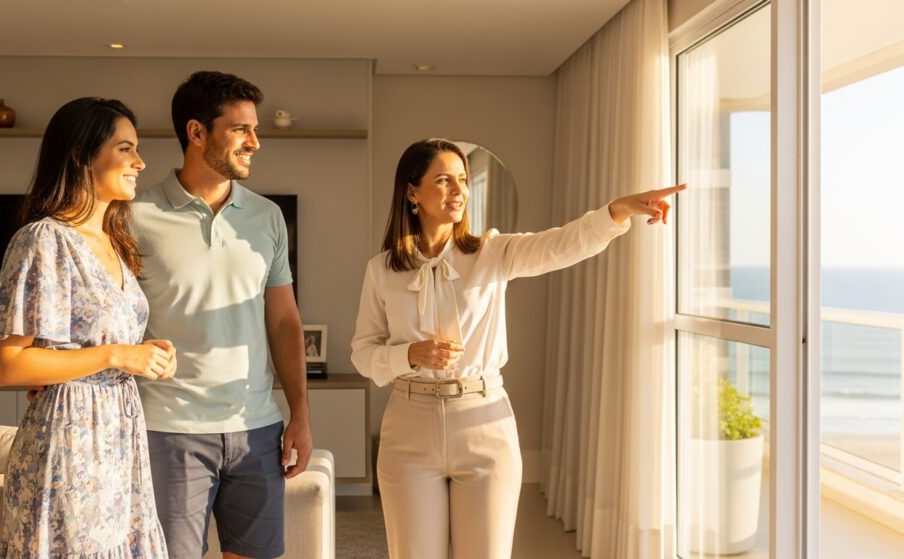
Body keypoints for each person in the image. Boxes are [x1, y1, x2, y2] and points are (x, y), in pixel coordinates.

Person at [351, 138, 684, 559]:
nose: (458, 191)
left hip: (483, 424)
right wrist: (409, 356)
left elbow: (561, 243)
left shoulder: (492, 251)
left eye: (463, 180)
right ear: (412, 192)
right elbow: (363, 352)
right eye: (443, 180)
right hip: (409, 428)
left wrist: (616, 211)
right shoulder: (381, 270)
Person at [0, 97, 176, 558]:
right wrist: (117, 355)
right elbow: (5, 366)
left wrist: (144, 353)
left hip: (119, 436)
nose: (140, 162)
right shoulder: (43, 239)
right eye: (125, 148)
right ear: (80, 155)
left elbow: (82, 344)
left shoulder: (115, 241)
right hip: (69, 444)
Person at [130, 71, 313, 559]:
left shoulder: (268, 217)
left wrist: (300, 413)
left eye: (255, 130)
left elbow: (284, 322)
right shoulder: (132, 214)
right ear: (196, 132)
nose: (254, 142)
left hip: (256, 429)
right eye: (240, 129)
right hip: (169, 429)